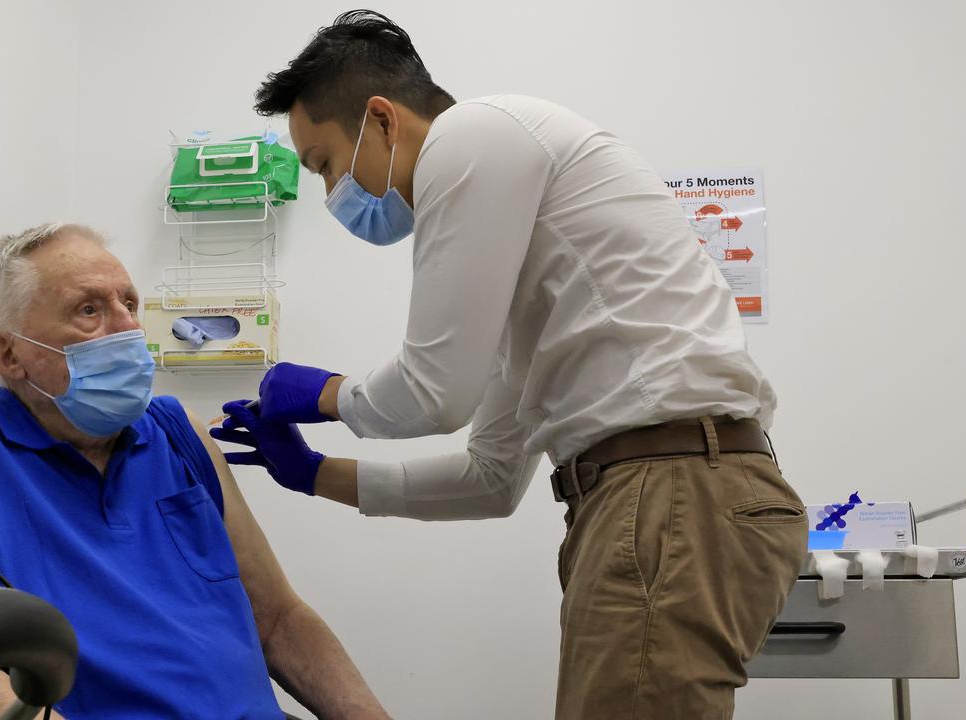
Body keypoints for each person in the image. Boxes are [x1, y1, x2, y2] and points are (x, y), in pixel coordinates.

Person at [211, 10, 806, 719]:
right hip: (666, 492)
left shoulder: (473, 137)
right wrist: (315, 475)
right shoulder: (523, 264)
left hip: (668, 491)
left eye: (325, 164)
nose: (330, 191)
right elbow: (491, 479)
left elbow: (436, 394)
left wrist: (328, 395)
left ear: (381, 119)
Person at [0, 223, 388, 720]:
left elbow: (278, 620)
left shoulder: (175, 431)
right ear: (10, 354)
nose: (128, 328)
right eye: (89, 310)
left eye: (130, 303)